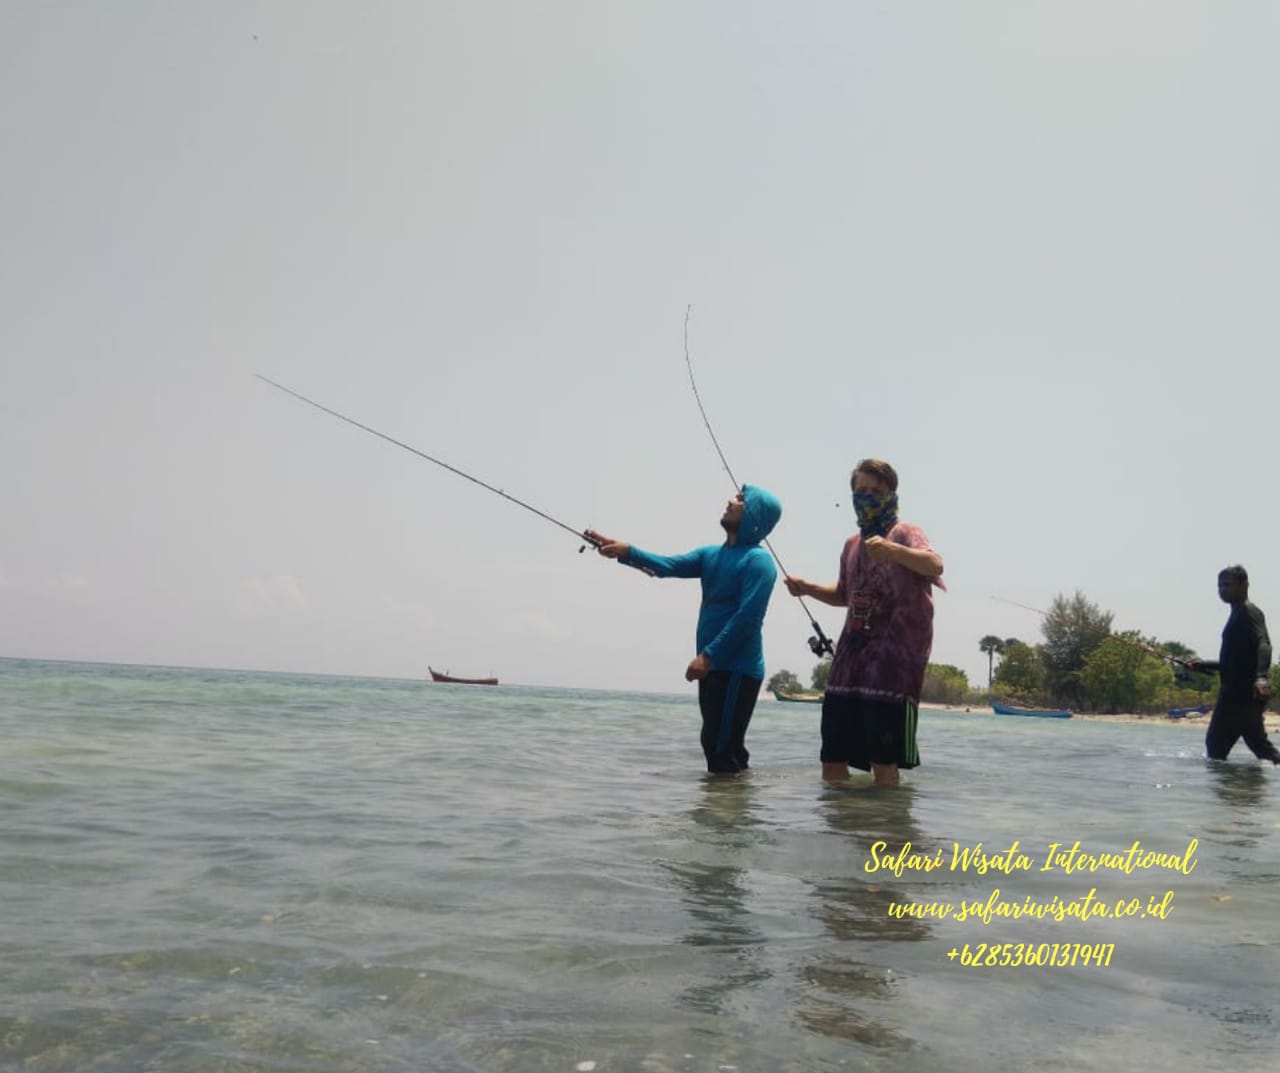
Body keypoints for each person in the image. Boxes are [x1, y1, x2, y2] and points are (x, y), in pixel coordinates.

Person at [585, 484, 782, 775]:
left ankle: (727, 816)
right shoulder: (711, 554)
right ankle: (735, 810)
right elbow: (666, 566)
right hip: (713, 666)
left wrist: (709, 656)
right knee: (721, 745)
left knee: (719, 746)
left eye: (740, 499)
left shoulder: (759, 561)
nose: (730, 501)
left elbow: (748, 619)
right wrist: (625, 552)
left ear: (755, 515)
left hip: (737, 669)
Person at [784, 459, 944, 785]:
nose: (868, 497)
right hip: (849, 664)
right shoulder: (851, 545)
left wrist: (893, 551)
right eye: (861, 491)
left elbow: (935, 565)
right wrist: (808, 588)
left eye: (876, 491)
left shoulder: (905, 532)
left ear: (891, 493)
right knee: (832, 758)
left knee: (883, 762)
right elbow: (844, 594)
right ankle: (844, 826)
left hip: (892, 668)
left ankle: (885, 831)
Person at [1188, 566, 1280, 765]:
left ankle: (1227, 792)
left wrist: (1261, 676)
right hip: (1241, 694)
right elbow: (1234, 662)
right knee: (1259, 746)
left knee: (1215, 745)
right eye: (1220, 585)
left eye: (1228, 585)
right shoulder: (1237, 613)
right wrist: (1205, 664)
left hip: (1240, 694)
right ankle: (1242, 791)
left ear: (1244, 585)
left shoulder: (1248, 612)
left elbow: (1264, 644)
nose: (1222, 589)